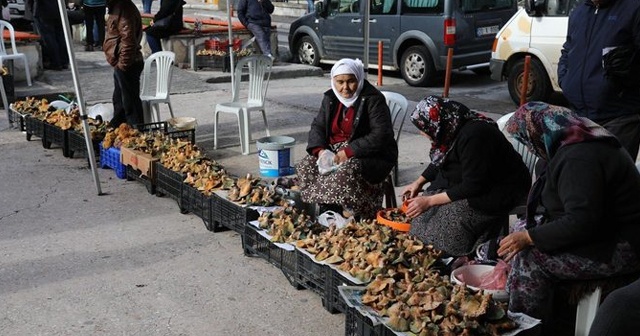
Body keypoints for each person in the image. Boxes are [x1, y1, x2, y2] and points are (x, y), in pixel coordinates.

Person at [497, 102, 640, 330]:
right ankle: (546, 312)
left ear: (537, 132)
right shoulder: (576, 138)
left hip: (621, 246)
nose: (530, 147)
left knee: (529, 259)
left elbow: (583, 221)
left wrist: (529, 238)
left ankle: (525, 325)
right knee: (521, 232)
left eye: (526, 140)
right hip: (605, 230)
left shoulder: (578, 158)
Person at [402, 96, 531, 257]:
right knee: (420, 220)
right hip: (468, 181)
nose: (422, 133)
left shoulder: (475, 136)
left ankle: (465, 255)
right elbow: (440, 160)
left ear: (437, 122)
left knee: (442, 232)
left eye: (423, 128)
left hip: (499, 187)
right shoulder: (450, 127)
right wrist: (418, 182)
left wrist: (429, 201)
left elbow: (474, 185)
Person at [296, 58, 398, 220]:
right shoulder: (330, 98)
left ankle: (352, 213)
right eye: (340, 82)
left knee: (346, 171)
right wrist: (321, 150)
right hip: (335, 149)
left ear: (359, 78)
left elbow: (381, 134)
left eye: (351, 81)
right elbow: (318, 126)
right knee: (306, 166)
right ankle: (329, 210)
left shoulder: (373, 99)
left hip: (371, 153)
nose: (345, 87)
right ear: (333, 81)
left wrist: (349, 151)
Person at [557, 0, 640, 161]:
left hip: (620, 118)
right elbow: (568, 49)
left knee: (613, 180)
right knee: (585, 177)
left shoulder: (634, 8)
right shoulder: (578, 12)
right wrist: (565, 80)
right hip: (579, 117)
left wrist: (630, 70)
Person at [104, 0, 144, 128]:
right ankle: (120, 130)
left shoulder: (124, 8)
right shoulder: (117, 7)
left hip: (128, 63)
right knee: (120, 102)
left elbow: (128, 40)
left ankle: (136, 134)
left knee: (130, 105)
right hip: (121, 63)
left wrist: (123, 64)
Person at [31, 0, 70, 71]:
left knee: (49, 37)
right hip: (59, 10)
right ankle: (64, 61)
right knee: (60, 36)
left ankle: (56, 62)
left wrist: (32, 9)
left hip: (43, 10)